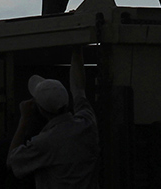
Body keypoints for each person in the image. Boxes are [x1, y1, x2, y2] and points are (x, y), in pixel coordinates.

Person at [6, 49, 98, 188]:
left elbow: (12, 162)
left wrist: (24, 119)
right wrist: (77, 51)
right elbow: (79, 89)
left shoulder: (44, 142)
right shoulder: (87, 124)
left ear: (41, 110)